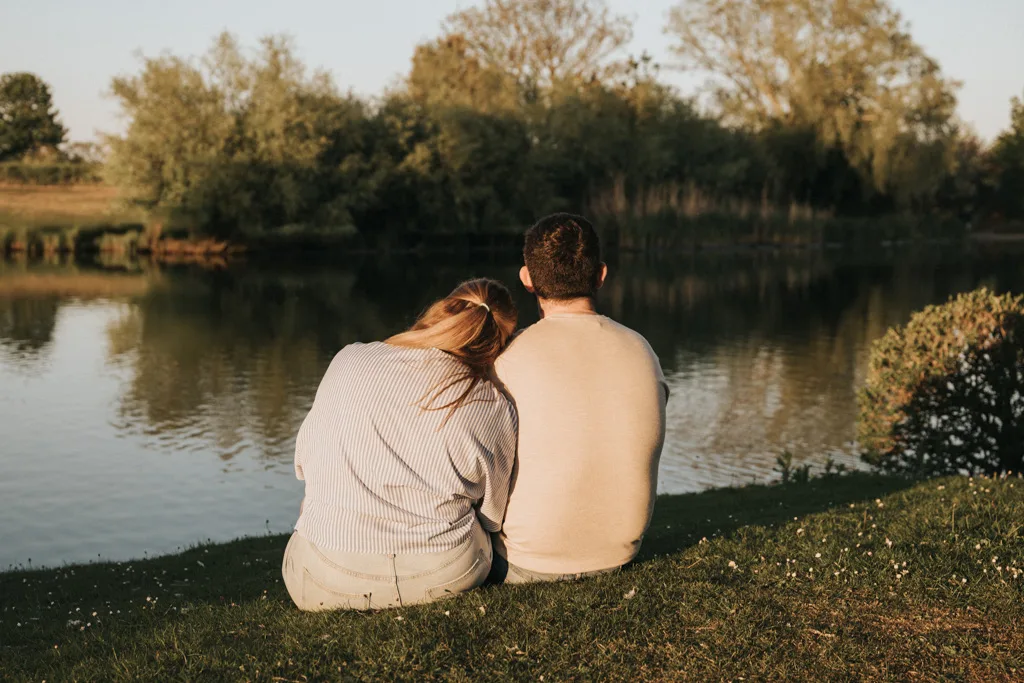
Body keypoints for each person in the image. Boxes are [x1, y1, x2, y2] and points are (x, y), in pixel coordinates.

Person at [282, 279, 519, 611]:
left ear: (440, 313)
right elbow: (493, 517)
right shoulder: (492, 404)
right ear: (498, 346)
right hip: (441, 575)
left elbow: (303, 465)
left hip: (320, 578)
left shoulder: (349, 359)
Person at [491, 213, 668, 584]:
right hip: (619, 552)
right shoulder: (642, 348)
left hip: (527, 560)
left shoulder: (510, 357)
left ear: (526, 278)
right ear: (601, 274)